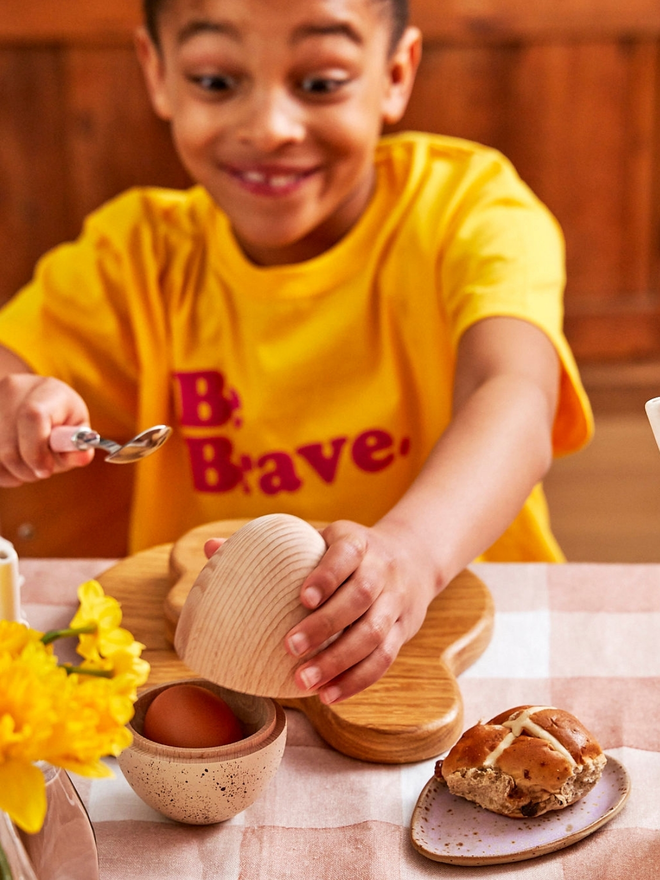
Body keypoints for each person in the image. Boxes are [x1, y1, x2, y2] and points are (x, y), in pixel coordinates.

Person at [0, 0, 592, 705]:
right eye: (217, 82)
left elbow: (516, 394)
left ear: (396, 73)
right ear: (158, 74)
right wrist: (15, 406)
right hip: (210, 676)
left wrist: (411, 557)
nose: (270, 129)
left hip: (462, 647)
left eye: (320, 83)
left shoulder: (471, 208)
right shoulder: (133, 256)